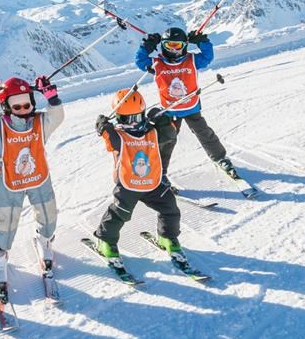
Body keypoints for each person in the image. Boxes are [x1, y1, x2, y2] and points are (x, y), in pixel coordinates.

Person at [0, 75, 64, 298]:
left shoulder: (39, 123)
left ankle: (44, 240)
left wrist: (52, 97)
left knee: (48, 212)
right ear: (6, 106)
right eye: (17, 106)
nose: (24, 109)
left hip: (39, 178)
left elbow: (57, 117)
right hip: (10, 182)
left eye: (27, 104)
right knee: (6, 219)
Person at [135, 26, 239, 182]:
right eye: (168, 45)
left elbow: (207, 56)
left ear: (184, 45)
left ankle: (220, 158)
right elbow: (140, 61)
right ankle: (160, 172)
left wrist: (202, 42)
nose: (173, 49)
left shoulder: (192, 60)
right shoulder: (157, 64)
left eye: (177, 45)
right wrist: (147, 46)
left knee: (205, 134)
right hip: (170, 111)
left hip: (191, 107)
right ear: (163, 45)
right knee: (166, 141)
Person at [91, 87, 181, 264]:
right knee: (119, 213)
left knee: (170, 208)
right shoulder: (118, 135)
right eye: (126, 119)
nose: (132, 123)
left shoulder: (153, 132)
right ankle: (105, 241)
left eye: (137, 117)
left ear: (143, 114)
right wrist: (102, 126)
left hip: (153, 183)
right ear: (117, 117)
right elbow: (107, 135)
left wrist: (163, 120)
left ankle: (167, 237)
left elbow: (170, 136)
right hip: (128, 185)